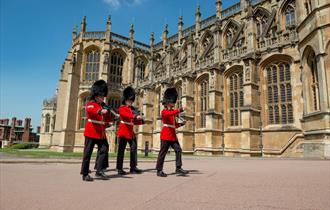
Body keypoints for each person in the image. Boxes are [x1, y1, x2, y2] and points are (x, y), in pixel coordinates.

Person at [80, 80, 112, 182]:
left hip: (101, 134)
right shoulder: (91, 103)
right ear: (96, 95)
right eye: (101, 96)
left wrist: (112, 120)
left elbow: (104, 120)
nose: (102, 98)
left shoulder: (103, 106)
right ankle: (85, 174)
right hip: (91, 132)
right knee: (87, 153)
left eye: (103, 96)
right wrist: (99, 111)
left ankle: (99, 170)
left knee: (104, 149)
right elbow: (90, 110)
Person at [156, 87, 189, 177]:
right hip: (166, 135)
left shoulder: (172, 113)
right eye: (171, 102)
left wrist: (181, 124)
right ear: (167, 103)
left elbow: (174, 125)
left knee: (178, 150)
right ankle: (159, 170)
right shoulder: (164, 112)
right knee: (163, 152)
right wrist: (180, 110)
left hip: (172, 136)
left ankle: (178, 168)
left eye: (173, 102)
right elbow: (170, 114)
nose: (172, 104)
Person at [116, 86, 144, 175]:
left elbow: (134, 121)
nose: (130, 102)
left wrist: (141, 120)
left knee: (133, 149)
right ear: (125, 100)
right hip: (123, 132)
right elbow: (127, 115)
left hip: (131, 133)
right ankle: (119, 168)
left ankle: (133, 167)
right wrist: (135, 116)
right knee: (121, 150)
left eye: (131, 100)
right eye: (129, 100)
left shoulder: (132, 109)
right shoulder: (122, 108)